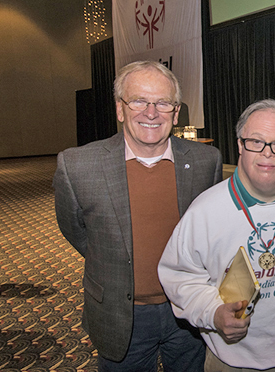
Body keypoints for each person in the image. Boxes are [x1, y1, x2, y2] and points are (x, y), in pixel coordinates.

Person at [53, 61, 222, 371]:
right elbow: (75, 229)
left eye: (162, 102)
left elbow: (209, 230)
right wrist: (111, 258)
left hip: (188, 309)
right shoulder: (78, 165)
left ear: (176, 111)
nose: (151, 112)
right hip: (121, 314)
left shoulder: (205, 161)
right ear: (120, 109)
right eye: (139, 101)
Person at [158, 99, 275, 372]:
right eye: (256, 142)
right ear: (240, 146)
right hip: (235, 358)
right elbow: (179, 277)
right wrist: (213, 313)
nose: (267, 153)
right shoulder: (206, 210)